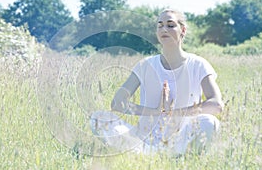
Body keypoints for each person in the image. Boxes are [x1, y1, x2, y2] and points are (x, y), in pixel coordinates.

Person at [90, 9, 224, 156]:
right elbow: (117, 103)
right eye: (160, 25)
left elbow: (216, 105)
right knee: (99, 118)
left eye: (170, 25)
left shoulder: (198, 64)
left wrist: (173, 113)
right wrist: (156, 112)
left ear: (183, 30)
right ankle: (149, 153)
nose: (164, 29)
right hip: (143, 139)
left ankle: (169, 153)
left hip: (181, 139)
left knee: (210, 122)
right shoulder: (145, 65)